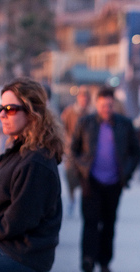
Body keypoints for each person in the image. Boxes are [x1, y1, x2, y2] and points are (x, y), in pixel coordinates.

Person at [0, 77, 64, 272]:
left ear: (32, 113)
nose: (2, 115)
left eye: (10, 109)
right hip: (8, 246)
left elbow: (16, 221)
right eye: (1, 108)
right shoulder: (18, 152)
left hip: (22, 254)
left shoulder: (36, 161)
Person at [71, 86, 140, 272]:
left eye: (109, 105)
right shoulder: (85, 123)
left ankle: (104, 262)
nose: (106, 109)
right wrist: (81, 172)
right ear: (97, 104)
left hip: (114, 183)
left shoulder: (124, 124)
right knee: (90, 222)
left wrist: (126, 174)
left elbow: (136, 152)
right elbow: (74, 150)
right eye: (102, 105)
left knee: (109, 223)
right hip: (90, 181)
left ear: (114, 105)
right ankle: (88, 259)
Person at [60, 85, 91, 215]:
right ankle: (72, 199)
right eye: (82, 98)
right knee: (70, 176)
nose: (84, 101)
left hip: (85, 152)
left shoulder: (91, 114)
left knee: (85, 179)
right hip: (71, 151)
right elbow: (62, 128)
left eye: (86, 98)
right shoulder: (69, 112)